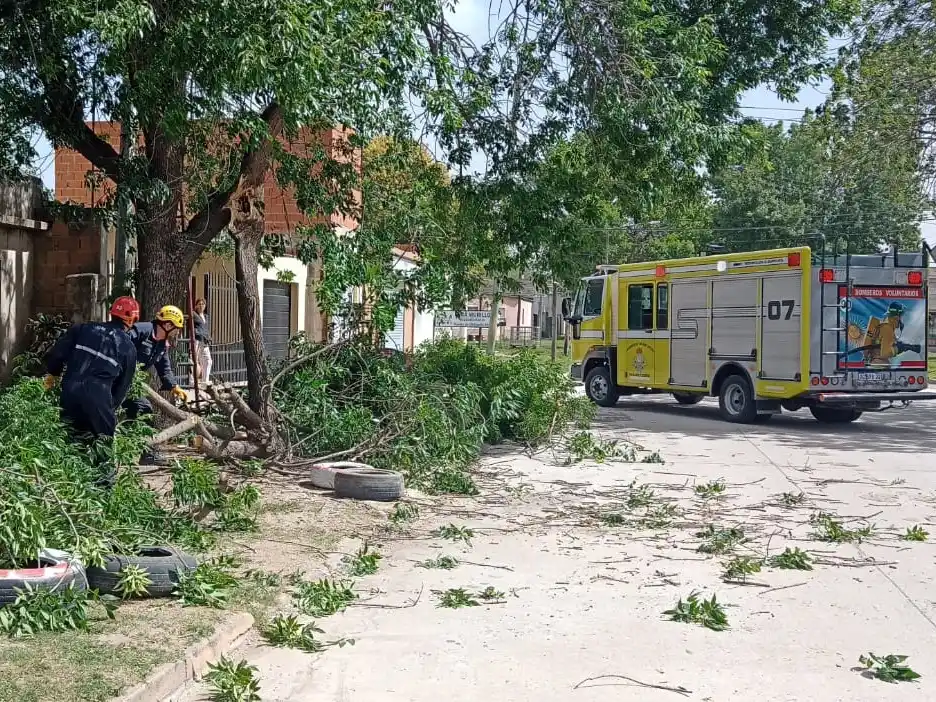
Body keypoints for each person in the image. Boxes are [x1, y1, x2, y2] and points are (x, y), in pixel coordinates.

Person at [43, 296, 140, 488]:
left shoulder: (83, 329)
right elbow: (122, 386)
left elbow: (57, 354)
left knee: (71, 437)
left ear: (112, 313)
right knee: (102, 442)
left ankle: (68, 484)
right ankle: (103, 491)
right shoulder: (128, 347)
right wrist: (109, 408)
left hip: (70, 388)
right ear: (131, 319)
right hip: (99, 394)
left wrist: (52, 375)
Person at [125, 304, 188, 465]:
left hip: (129, 384)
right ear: (167, 325)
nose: (178, 332)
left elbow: (164, 368)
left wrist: (174, 386)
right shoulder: (141, 331)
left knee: (143, 410)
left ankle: (147, 454)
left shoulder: (161, 344)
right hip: (113, 380)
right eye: (177, 328)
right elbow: (118, 346)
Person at [192, 298, 212, 385]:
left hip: (204, 341)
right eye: (199, 304)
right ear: (196, 305)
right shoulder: (193, 314)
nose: (201, 306)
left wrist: (208, 336)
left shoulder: (206, 316)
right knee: (194, 360)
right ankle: (192, 381)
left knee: (208, 360)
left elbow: (205, 328)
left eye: (203, 304)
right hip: (196, 340)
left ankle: (205, 380)